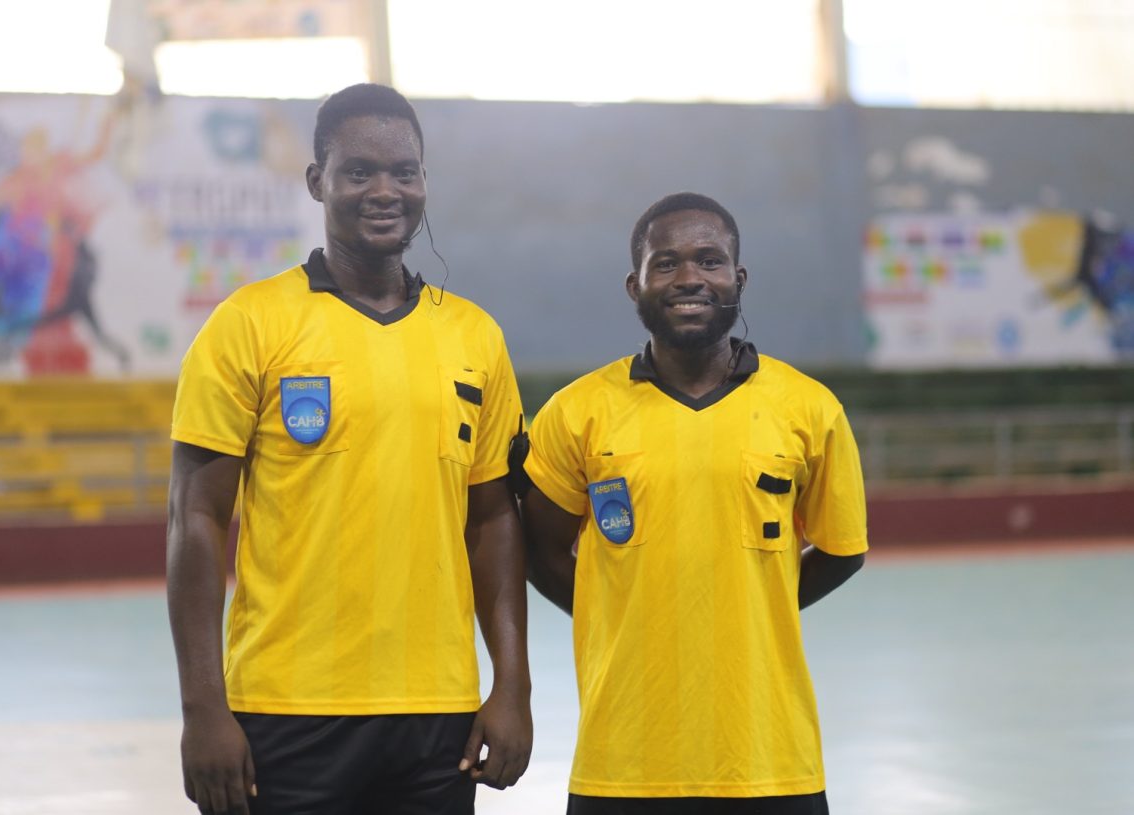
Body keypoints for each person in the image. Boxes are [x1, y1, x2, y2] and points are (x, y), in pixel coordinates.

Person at [167, 83, 532, 815]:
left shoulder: (474, 337)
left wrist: (512, 686)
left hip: (438, 712)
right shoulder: (249, 323)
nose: (384, 190)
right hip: (285, 707)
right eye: (359, 171)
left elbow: (493, 521)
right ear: (317, 181)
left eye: (405, 171)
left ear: (425, 181)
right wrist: (204, 708)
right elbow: (195, 520)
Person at [520, 193, 868, 814]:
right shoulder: (577, 413)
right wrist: (624, 610)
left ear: (738, 278)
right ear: (636, 284)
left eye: (709, 261)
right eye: (666, 263)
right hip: (621, 764)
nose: (689, 279)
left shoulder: (810, 409)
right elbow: (540, 551)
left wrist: (749, 605)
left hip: (770, 763)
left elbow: (843, 552)